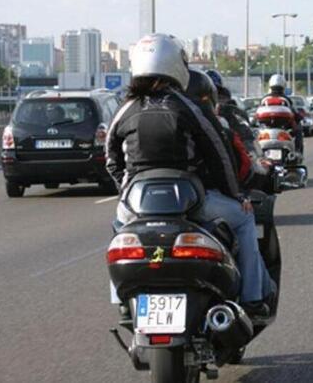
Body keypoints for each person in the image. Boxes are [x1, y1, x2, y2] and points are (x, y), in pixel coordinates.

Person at [106, 33, 275, 315]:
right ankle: (252, 298)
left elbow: (110, 157)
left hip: (137, 206)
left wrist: (125, 191)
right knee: (245, 219)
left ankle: (123, 303)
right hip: (190, 202)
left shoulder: (125, 109)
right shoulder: (188, 107)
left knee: (118, 232)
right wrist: (236, 194)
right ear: (176, 65)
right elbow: (219, 154)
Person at [261, 74, 304, 155]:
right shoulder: (286, 100)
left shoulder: (264, 99)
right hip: (284, 128)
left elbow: (258, 114)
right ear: (283, 85)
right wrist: (299, 118)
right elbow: (295, 115)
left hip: (266, 129)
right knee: (298, 131)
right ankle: (298, 151)